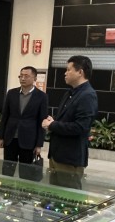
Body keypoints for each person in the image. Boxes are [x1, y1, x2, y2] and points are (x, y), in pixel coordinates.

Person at [42, 55, 98, 189]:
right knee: (55, 194)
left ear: (80, 72)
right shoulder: (70, 93)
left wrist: (52, 125)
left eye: (68, 70)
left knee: (68, 196)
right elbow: (67, 120)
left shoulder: (87, 95)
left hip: (70, 158)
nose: (65, 73)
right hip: (57, 155)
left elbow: (81, 127)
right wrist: (54, 121)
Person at [0, 66, 48, 178]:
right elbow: (5, 116)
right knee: (7, 169)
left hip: (29, 140)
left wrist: (39, 144)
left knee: (26, 172)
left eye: (26, 76)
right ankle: (5, 188)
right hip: (10, 138)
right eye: (21, 76)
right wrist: (1, 136)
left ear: (35, 78)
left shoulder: (41, 97)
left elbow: (42, 122)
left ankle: (24, 189)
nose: (23, 78)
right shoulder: (11, 93)